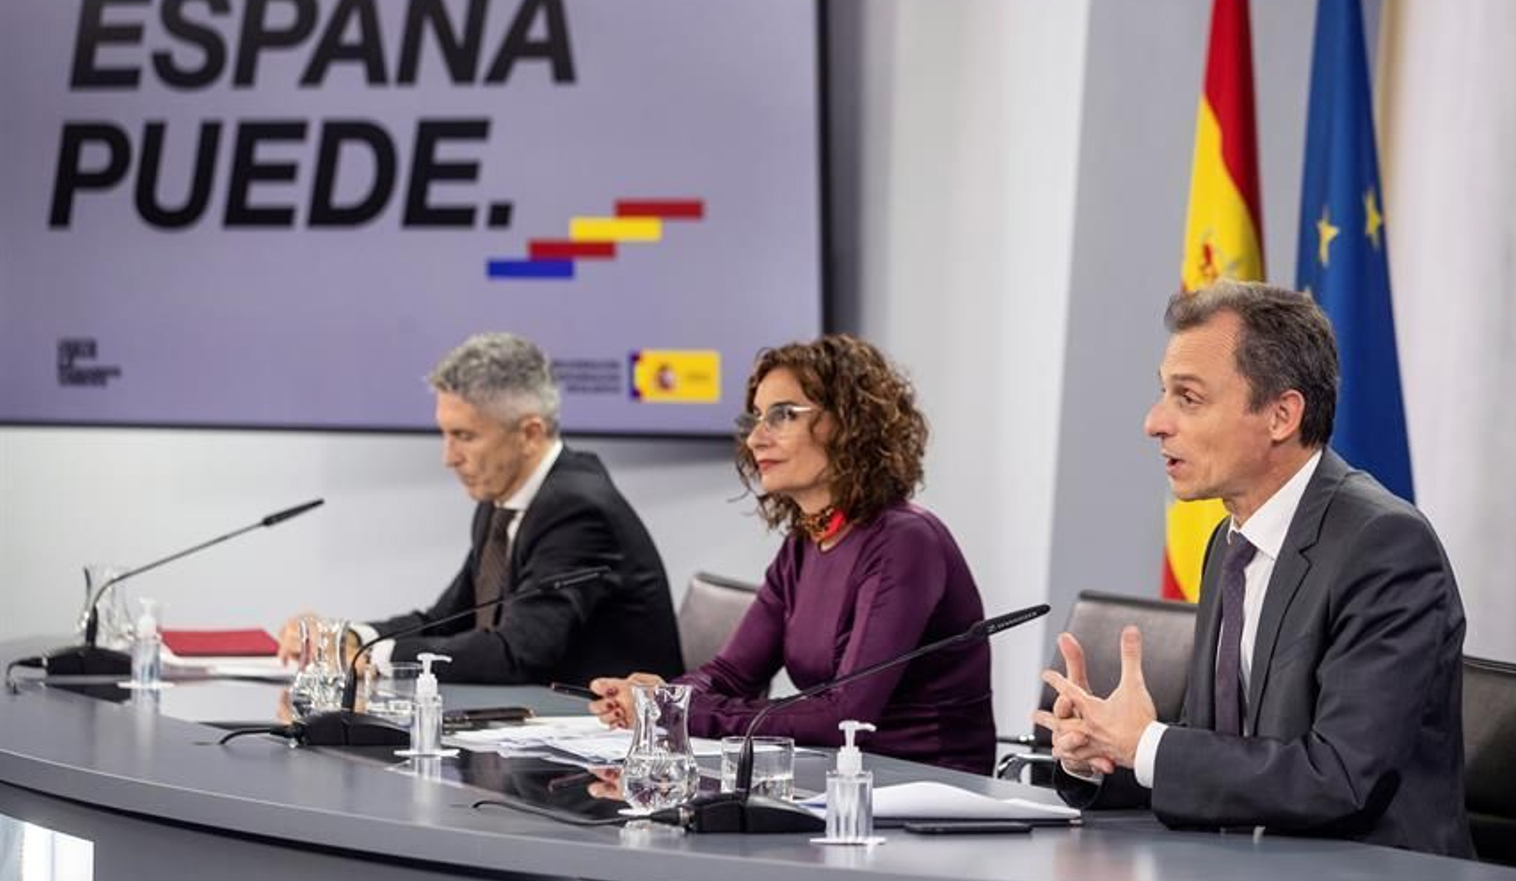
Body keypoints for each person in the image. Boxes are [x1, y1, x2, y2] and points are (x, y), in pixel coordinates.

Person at [1038, 281, 1474, 857]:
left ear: (1281, 415)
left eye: (1188, 399)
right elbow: (1229, 755)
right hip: (1251, 876)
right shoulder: (1230, 539)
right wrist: (1103, 752)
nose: (1154, 422)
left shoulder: (1384, 546)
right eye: (1163, 394)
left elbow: (1338, 778)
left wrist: (1147, 746)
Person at [588, 335, 996, 774]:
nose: (756, 440)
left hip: (926, 794)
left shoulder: (905, 542)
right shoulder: (803, 545)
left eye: (782, 415)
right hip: (837, 781)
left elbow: (841, 716)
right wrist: (660, 700)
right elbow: (730, 674)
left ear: (849, 423)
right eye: (756, 419)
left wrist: (677, 711)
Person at [278, 333, 682, 684]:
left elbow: (518, 653)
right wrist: (348, 636)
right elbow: (446, 618)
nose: (449, 458)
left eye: (464, 436)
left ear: (529, 434)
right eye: (445, 434)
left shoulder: (577, 510)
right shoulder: (502, 500)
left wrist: (377, 657)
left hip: (607, 747)